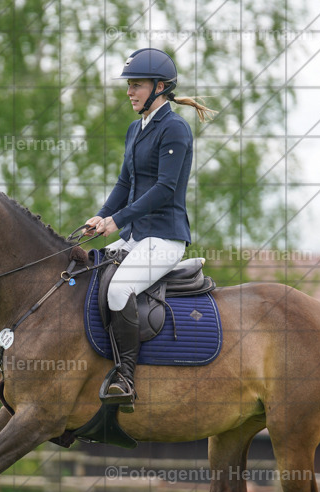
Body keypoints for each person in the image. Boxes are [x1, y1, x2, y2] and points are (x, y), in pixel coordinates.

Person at [85, 48, 217, 412]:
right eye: (129, 85)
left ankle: (126, 378)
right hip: (136, 237)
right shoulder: (136, 128)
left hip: (164, 238)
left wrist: (118, 220)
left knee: (119, 289)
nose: (130, 92)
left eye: (137, 85)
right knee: (89, 277)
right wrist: (101, 216)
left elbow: (163, 189)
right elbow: (124, 183)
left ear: (160, 87)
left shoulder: (175, 129)